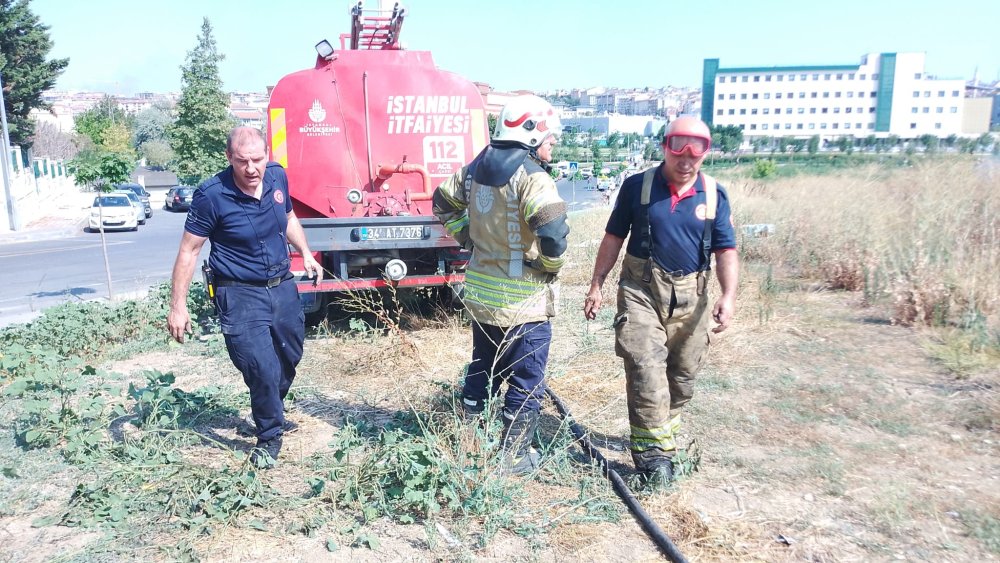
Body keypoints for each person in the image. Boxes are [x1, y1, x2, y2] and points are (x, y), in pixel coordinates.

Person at [583, 116, 738, 486]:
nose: (685, 161)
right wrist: (597, 283)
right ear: (665, 147)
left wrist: (729, 296)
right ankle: (653, 460)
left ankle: (661, 435)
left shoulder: (715, 194)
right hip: (641, 292)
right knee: (645, 367)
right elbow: (613, 238)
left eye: (694, 153)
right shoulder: (638, 187)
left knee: (681, 378)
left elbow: (726, 251)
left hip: (692, 300)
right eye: (677, 151)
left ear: (705, 155)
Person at [167, 127, 322, 467]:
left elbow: (289, 217)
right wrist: (178, 307)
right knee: (260, 367)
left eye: (257, 160)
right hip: (238, 293)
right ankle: (269, 436)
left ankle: (270, 407)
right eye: (242, 162)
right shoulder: (211, 195)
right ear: (229, 158)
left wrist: (306, 253)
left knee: (290, 356)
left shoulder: (277, 177)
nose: (251, 169)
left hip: (281, 286)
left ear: (267, 154)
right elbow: (189, 251)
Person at [433, 94, 570, 474]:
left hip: (481, 297)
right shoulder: (534, 177)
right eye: (550, 137)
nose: (553, 144)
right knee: (526, 379)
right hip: (523, 303)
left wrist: (467, 238)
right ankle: (513, 458)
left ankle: (470, 439)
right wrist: (547, 264)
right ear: (531, 134)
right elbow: (555, 234)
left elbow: (441, 203)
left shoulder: (475, 169)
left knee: (484, 367)